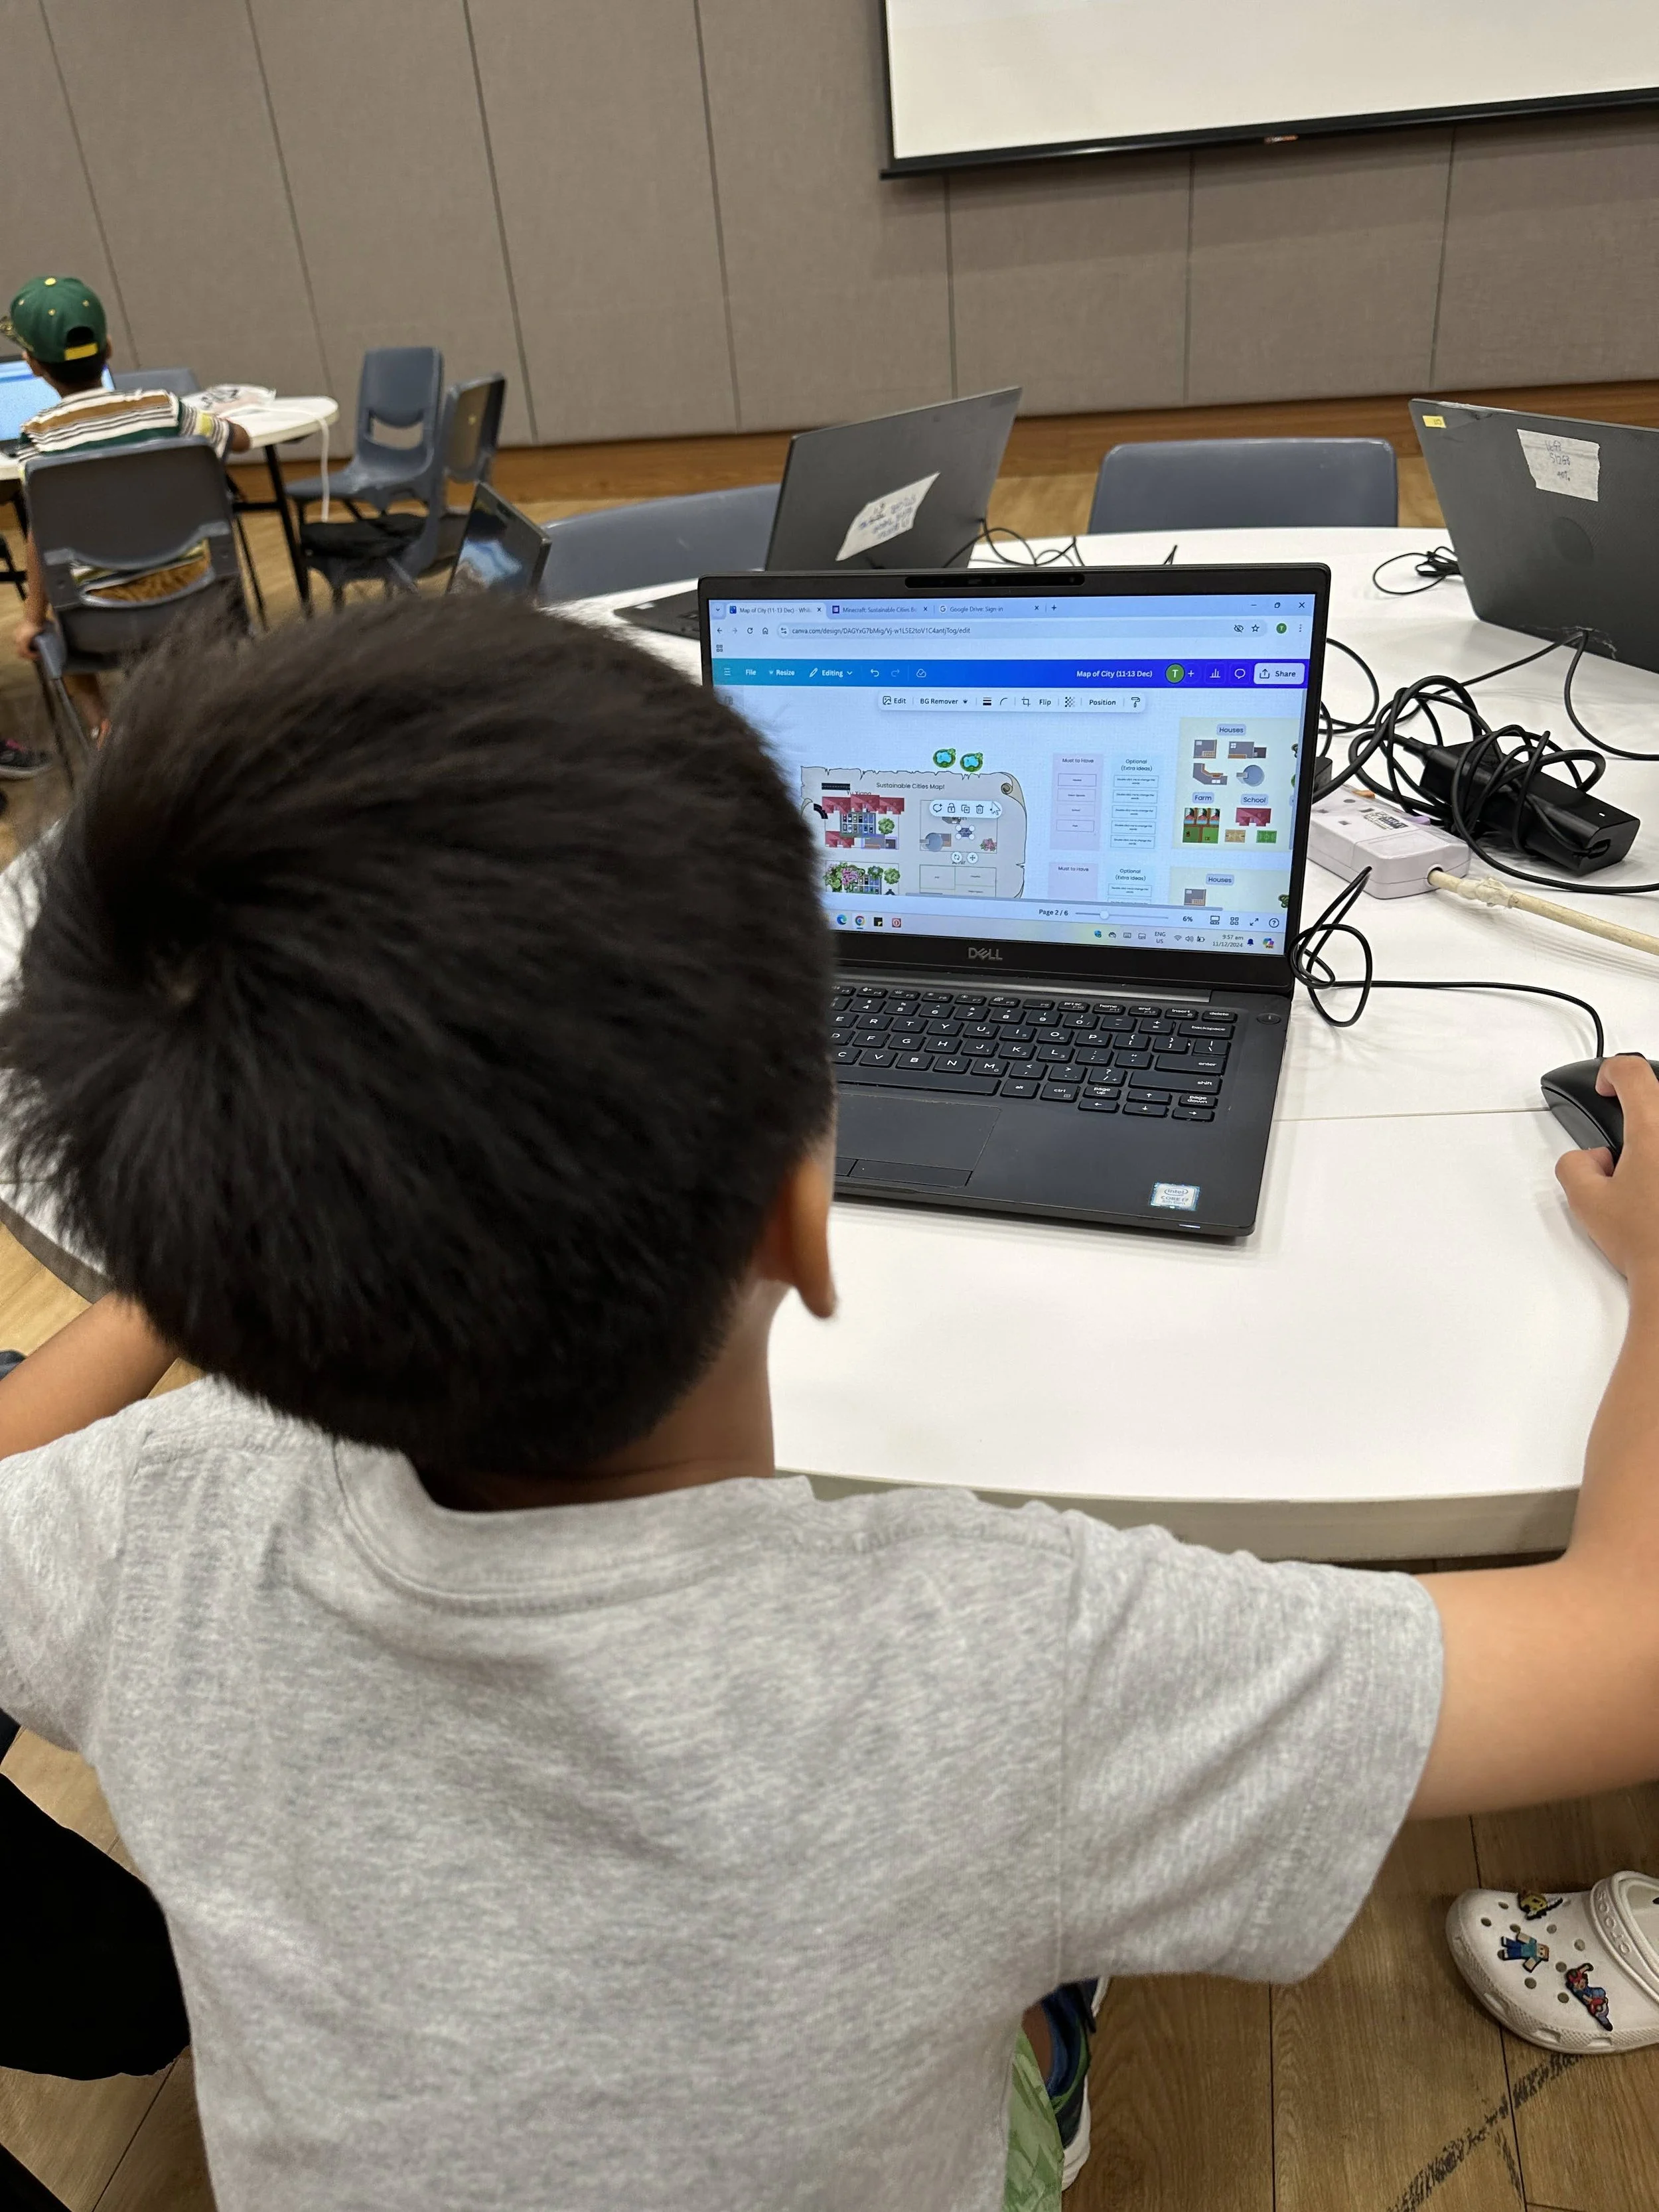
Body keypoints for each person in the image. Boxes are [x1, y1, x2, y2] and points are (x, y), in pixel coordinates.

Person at [0, 595, 1655, 2211]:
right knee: (1017, 1916)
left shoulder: (133, 1526)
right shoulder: (1020, 1669)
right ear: (804, 1219)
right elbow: (1628, 1644)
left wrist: (195, 1263)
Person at [2, 275, 250, 751]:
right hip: (201, 605)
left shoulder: (39, 439)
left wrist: (33, 617)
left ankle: (104, 729)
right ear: (109, 346)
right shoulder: (166, 408)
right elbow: (237, 440)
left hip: (101, 622)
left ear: (32, 365)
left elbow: (42, 535)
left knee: (59, 626)